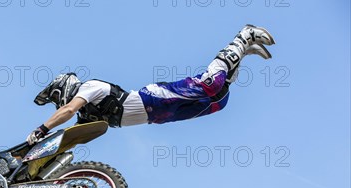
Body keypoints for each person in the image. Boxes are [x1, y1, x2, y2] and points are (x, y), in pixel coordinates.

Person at [26, 24, 276, 145]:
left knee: (208, 85)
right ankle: (242, 55)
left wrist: (41, 129)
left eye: (60, 98)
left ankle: (242, 37)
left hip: (154, 99)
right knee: (218, 102)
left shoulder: (89, 87)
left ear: (66, 87)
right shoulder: (86, 115)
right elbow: (71, 137)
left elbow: (67, 111)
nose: (64, 104)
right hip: (160, 117)